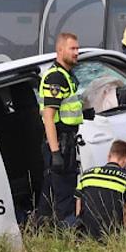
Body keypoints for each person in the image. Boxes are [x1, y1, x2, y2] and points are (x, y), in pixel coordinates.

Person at [37, 32, 85, 226]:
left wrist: (85, 114)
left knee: (51, 190)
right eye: (72, 48)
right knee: (64, 192)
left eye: (77, 48)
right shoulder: (56, 78)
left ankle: (42, 228)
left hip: (67, 141)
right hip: (59, 144)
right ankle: (67, 230)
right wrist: (55, 152)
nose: (76, 52)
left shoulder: (66, 75)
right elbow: (48, 117)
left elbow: (66, 109)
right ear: (60, 50)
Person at [76, 140, 126, 240]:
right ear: (125, 160)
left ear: (109, 156)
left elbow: (78, 203)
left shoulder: (87, 174)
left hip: (86, 233)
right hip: (111, 234)